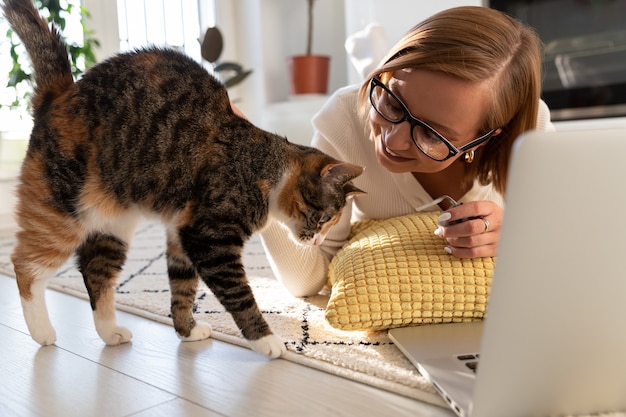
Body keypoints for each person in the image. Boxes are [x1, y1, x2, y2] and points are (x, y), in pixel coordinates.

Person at [260, 6, 554, 297]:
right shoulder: (345, 119)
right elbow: (309, 277)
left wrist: (519, 235)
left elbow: (569, 242)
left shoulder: (528, 130)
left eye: (431, 133)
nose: (393, 141)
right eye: (393, 104)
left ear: (484, 139)